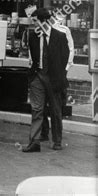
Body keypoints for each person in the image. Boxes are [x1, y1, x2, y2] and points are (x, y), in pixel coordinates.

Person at [22, 8, 69, 152]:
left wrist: (60, 78)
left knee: (55, 111)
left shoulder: (60, 36)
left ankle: (57, 141)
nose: (34, 24)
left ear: (45, 21)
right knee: (37, 109)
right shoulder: (32, 36)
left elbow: (65, 58)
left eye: (35, 21)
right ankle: (34, 142)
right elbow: (32, 57)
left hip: (54, 78)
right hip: (38, 76)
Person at [40, 12, 74, 141]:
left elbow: (69, 52)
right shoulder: (37, 35)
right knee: (40, 108)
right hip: (41, 76)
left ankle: (57, 140)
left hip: (56, 76)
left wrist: (64, 71)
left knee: (55, 109)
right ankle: (43, 133)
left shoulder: (62, 33)